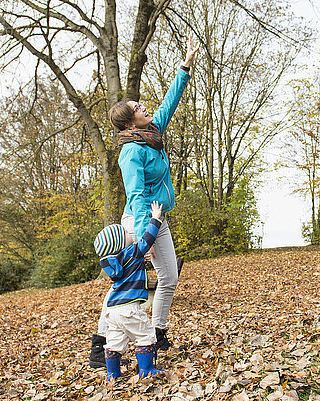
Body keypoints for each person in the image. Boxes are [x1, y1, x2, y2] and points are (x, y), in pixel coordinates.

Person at [89, 36, 199, 368]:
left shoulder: (152, 134)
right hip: (137, 222)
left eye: (140, 104)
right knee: (123, 281)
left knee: (169, 276)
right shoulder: (131, 152)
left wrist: (185, 64)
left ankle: (157, 331)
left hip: (157, 218)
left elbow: (169, 102)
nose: (143, 107)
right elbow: (136, 196)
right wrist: (144, 236)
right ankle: (100, 343)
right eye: (137, 108)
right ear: (128, 122)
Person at [94, 201, 165, 380]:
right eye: (125, 233)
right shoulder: (131, 252)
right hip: (129, 308)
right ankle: (146, 369)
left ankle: (112, 374)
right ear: (119, 243)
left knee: (115, 342)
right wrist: (155, 218)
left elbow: (135, 266)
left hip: (113, 310)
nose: (129, 232)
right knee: (145, 335)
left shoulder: (115, 262)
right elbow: (148, 238)